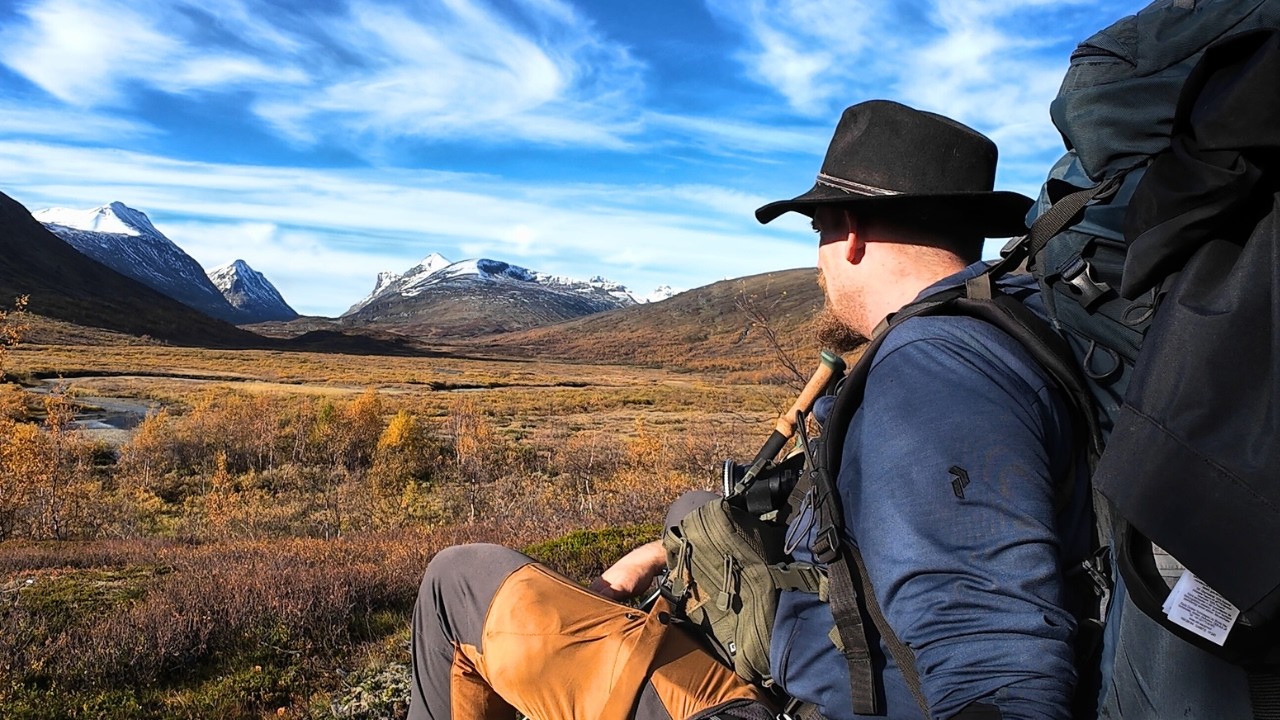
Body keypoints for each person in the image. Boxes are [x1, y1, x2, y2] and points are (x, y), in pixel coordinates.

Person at [407, 100, 1090, 720]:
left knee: (458, 579)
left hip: (784, 704)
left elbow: (996, 664)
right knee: (691, 510)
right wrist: (657, 552)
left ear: (849, 232)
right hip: (821, 647)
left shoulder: (932, 371)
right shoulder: (1008, 321)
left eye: (818, 228)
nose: (819, 262)